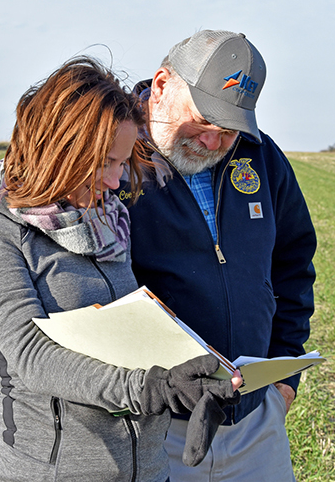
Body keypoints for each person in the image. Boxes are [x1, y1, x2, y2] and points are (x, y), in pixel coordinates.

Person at [0, 56, 241, 482]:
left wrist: (191, 380)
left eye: (121, 163)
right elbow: (32, 355)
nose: (115, 181)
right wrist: (149, 388)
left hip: (149, 470)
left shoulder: (109, 219)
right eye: (105, 161)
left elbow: (130, 334)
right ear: (60, 145)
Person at [116, 30, 317, 481]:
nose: (212, 141)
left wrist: (283, 383)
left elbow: (294, 262)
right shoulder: (113, 155)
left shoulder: (261, 156)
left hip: (253, 420)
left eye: (228, 129)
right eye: (203, 120)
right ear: (163, 85)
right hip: (151, 425)